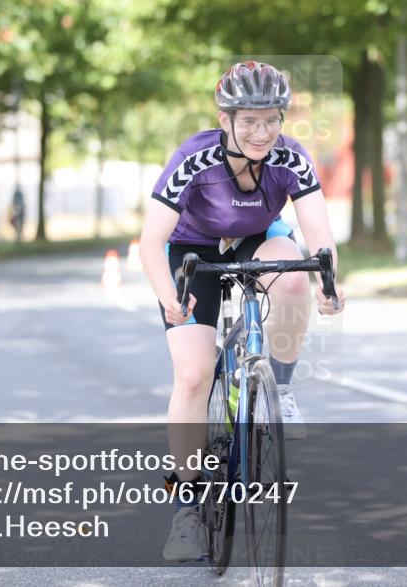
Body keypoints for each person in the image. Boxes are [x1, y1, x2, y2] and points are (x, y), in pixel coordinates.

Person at [138, 61, 346, 561]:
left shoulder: (292, 158)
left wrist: (330, 283)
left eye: (271, 119)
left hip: (257, 240)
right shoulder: (194, 157)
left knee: (295, 272)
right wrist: (169, 295)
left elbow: (319, 236)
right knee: (192, 376)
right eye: (248, 121)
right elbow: (151, 241)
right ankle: (185, 508)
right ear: (225, 118)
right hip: (191, 249)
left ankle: (279, 383)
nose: (261, 132)